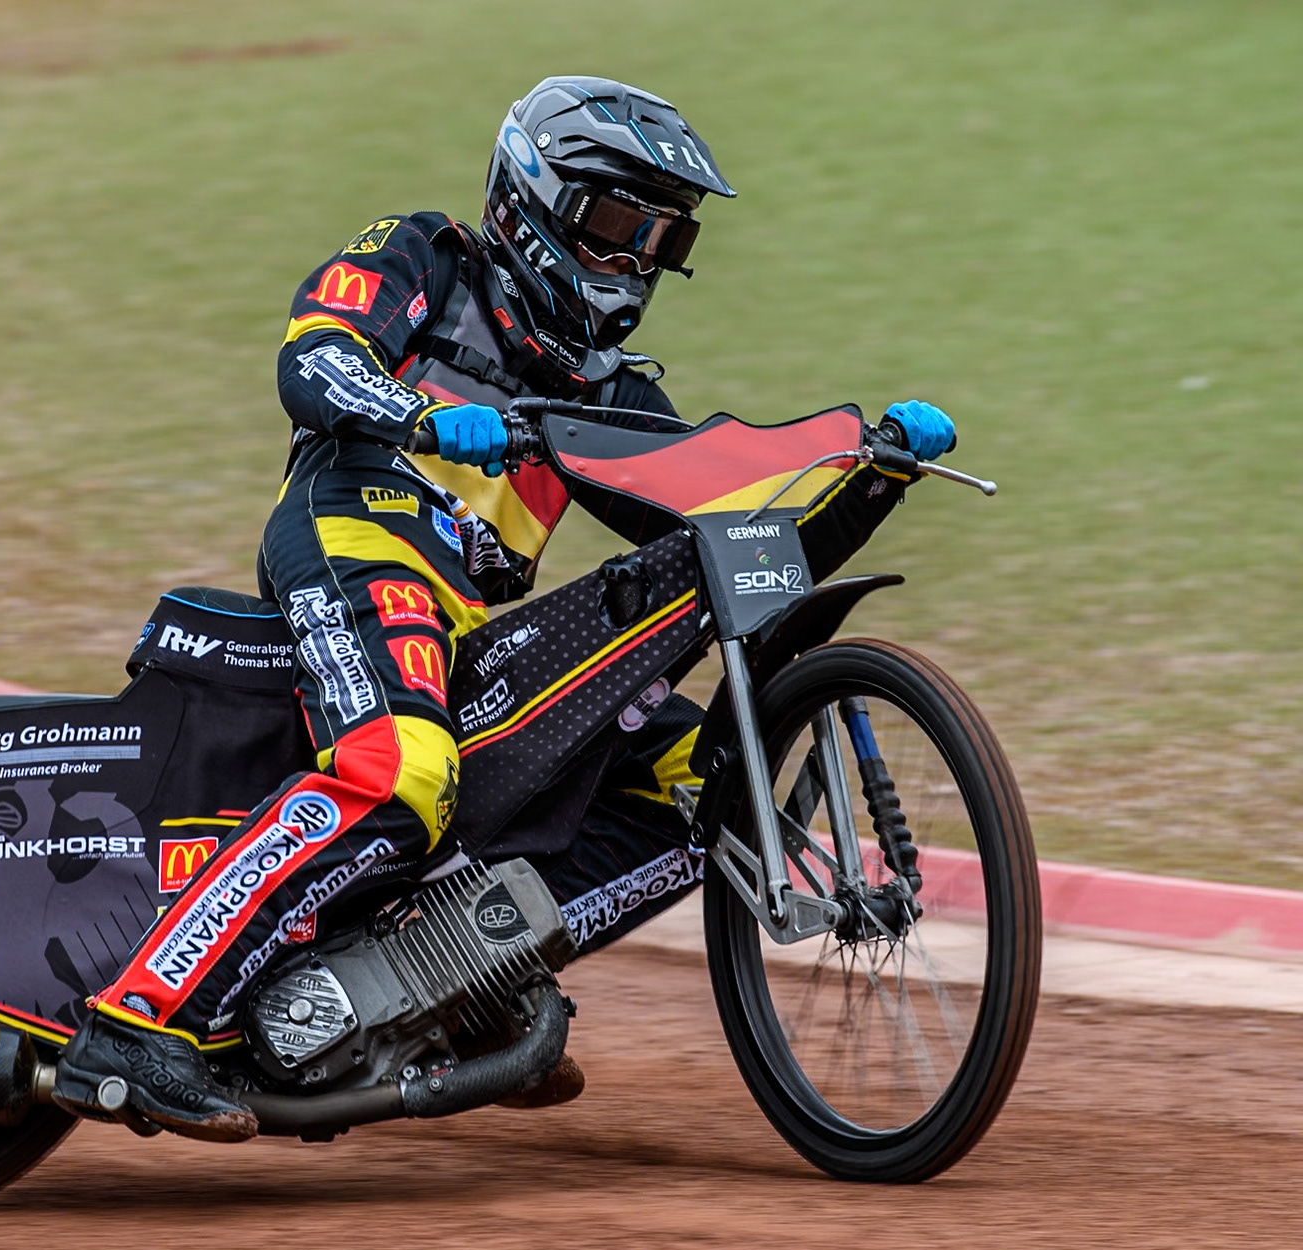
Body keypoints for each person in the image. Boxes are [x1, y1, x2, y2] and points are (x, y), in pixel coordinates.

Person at [54, 76, 957, 1141]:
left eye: (659, 239)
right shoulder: (427, 255)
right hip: (355, 540)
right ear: (531, 198)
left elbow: (733, 548)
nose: (633, 262)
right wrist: (424, 420)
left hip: (472, 630)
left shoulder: (612, 390)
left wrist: (871, 481)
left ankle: (458, 984)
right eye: (617, 223)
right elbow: (314, 359)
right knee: (404, 767)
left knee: (703, 785)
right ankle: (139, 1020)